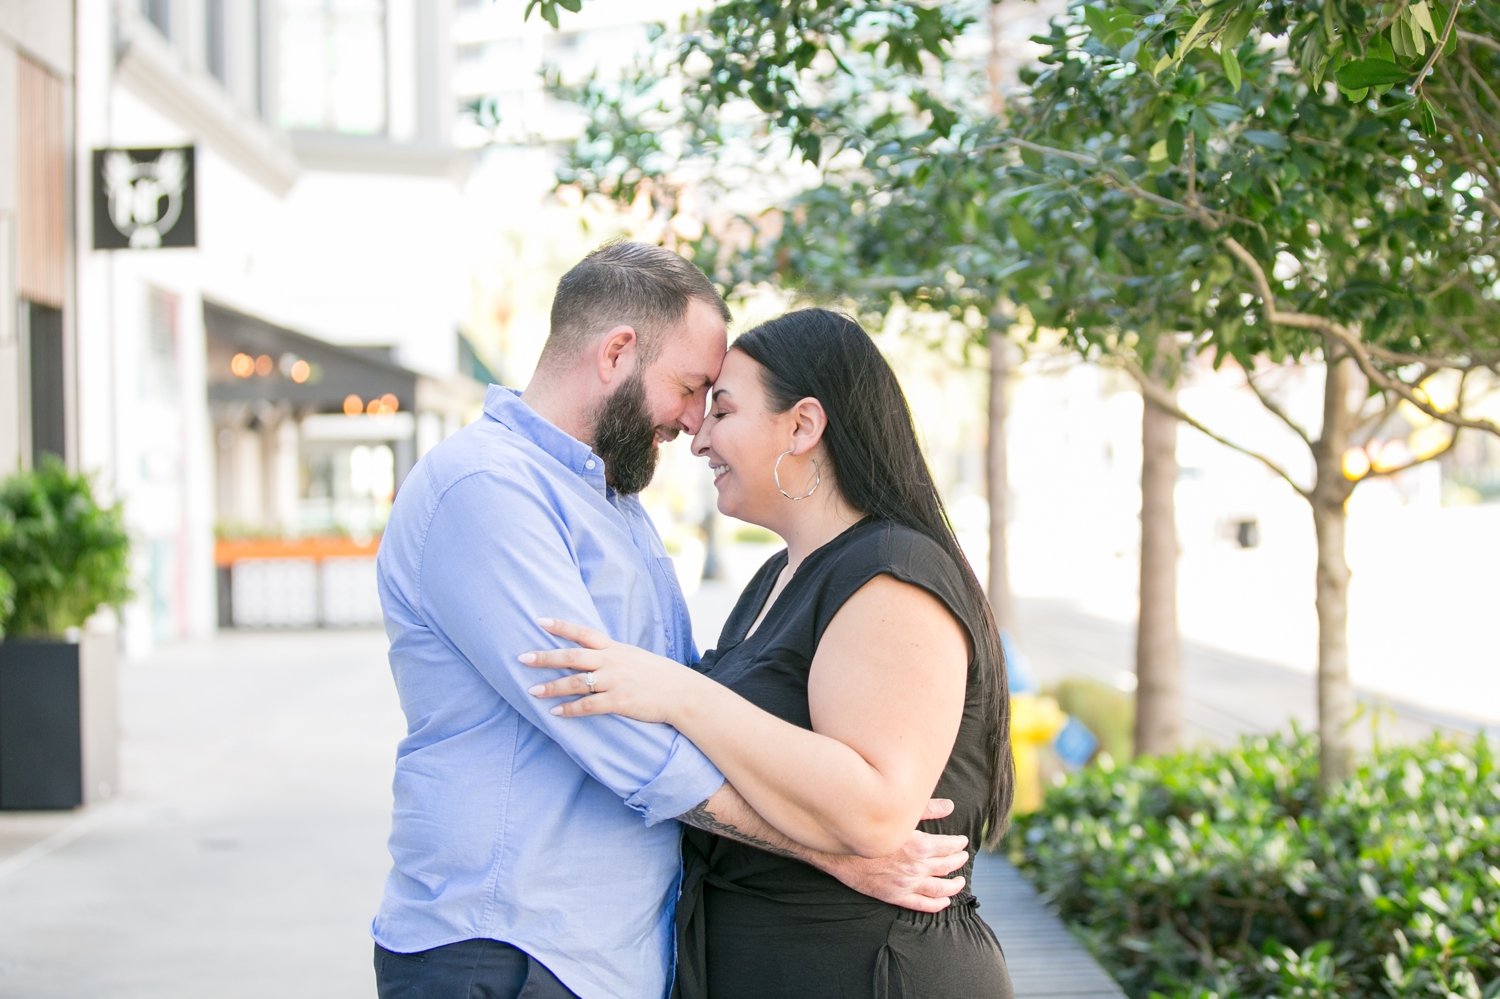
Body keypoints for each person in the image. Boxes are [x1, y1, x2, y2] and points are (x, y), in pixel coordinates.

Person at [372, 245, 971, 999]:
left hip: (602, 956)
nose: (693, 426)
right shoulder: (487, 488)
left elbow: (683, 703)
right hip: (508, 946)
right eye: (692, 390)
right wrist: (831, 846)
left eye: (715, 403)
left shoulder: (614, 505)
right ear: (618, 351)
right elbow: (608, 723)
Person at [522, 308, 1017, 998]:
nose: (697, 436)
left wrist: (681, 693)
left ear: (803, 425)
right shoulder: (774, 579)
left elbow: (875, 809)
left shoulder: (891, 572)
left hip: (873, 971)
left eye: (721, 410)